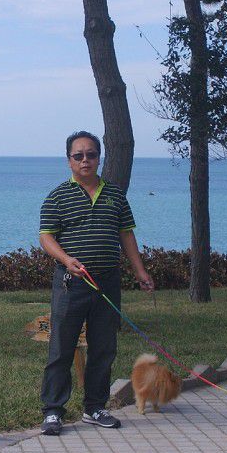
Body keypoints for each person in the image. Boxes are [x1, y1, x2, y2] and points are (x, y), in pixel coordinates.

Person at [38, 131, 155, 436]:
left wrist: (140, 271)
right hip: (71, 283)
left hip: (108, 283)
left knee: (104, 348)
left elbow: (126, 233)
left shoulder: (115, 195)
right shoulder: (57, 197)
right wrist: (66, 260)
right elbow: (46, 237)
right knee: (61, 348)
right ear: (69, 161)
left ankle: (94, 407)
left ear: (99, 158)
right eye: (78, 155)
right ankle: (53, 411)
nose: (85, 160)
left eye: (91, 154)